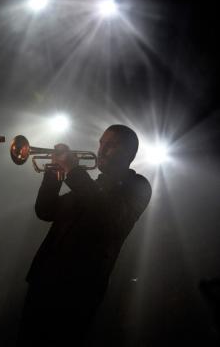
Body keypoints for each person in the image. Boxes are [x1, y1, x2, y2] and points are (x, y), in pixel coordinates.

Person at [18, 124, 152, 346]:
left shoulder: (137, 185)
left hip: (77, 291)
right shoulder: (92, 184)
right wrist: (54, 175)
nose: (101, 150)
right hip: (43, 281)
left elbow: (110, 219)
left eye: (110, 145)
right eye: (101, 143)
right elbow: (45, 211)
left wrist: (73, 170)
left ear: (129, 153)